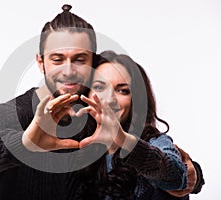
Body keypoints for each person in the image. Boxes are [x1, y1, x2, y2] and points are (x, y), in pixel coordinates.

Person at [0, 5, 203, 200]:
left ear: (92, 62)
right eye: (58, 59)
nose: (69, 70)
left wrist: (192, 172)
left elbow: (149, 155)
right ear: (41, 62)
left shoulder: (96, 112)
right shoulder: (11, 113)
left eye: (80, 59)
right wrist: (26, 144)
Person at [73, 50, 204, 199]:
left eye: (123, 90)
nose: (109, 99)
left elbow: (176, 177)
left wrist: (122, 139)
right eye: (99, 87)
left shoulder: (156, 142)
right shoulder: (82, 150)